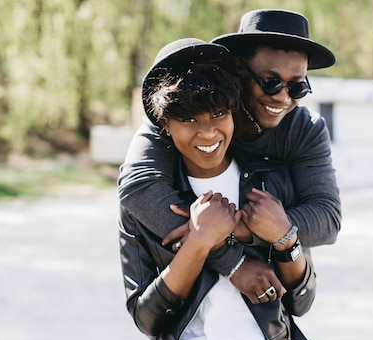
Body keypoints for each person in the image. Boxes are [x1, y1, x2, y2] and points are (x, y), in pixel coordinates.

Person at [119, 38, 317, 340]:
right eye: (189, 119)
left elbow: (302, 302)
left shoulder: (271, 184)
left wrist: (285, 238)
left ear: (234, 110)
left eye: (217, 114)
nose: (207, 133)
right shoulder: (146, 203)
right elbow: (147, 319)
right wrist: (199, 243)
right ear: (164, 123)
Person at [117, 9, 341, 303]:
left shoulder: (305, 129)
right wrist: (229, 260)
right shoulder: (193, 104)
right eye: (270, 81)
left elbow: (327, 218)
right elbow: (138, 186)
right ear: (238, 68)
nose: (283, 97)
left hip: (281, 298)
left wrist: (240, 228)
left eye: (297, 87)